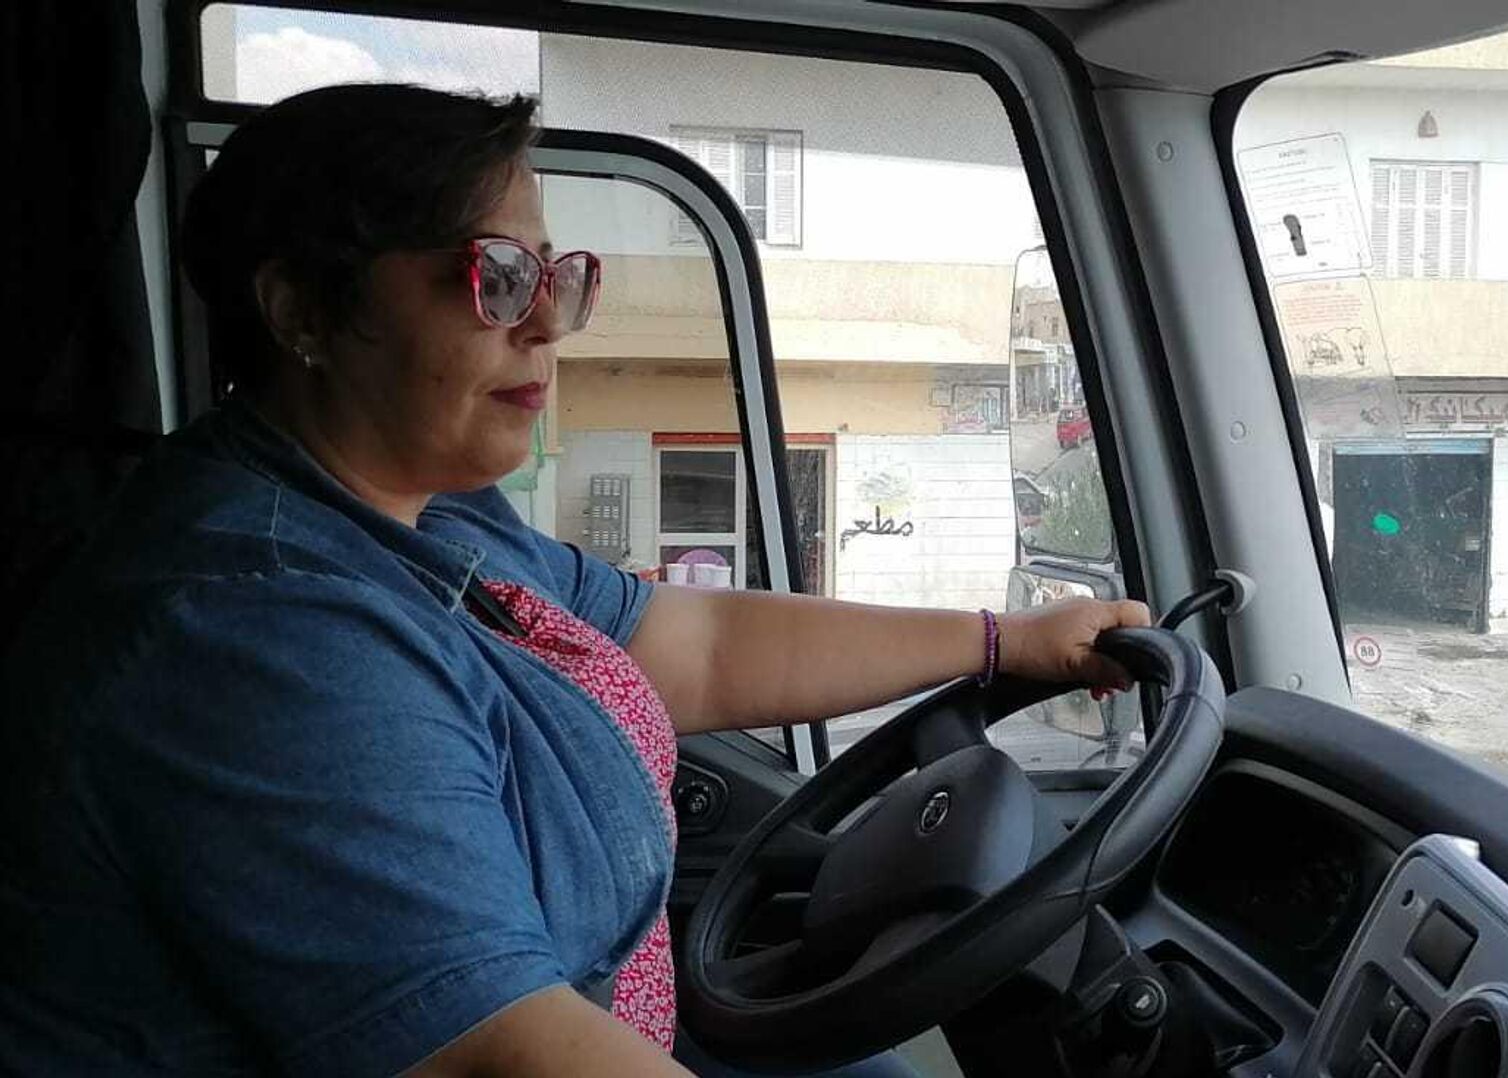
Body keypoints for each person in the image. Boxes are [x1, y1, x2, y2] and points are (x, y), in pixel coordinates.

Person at [0, 84, 1147, 1078]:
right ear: (305, 310)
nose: (548, 321)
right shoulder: (259, 630)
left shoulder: (425, 511)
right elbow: (500, 1053)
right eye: (495, 278)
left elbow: (691, 643)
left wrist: (1005, 641)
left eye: (555, 275)